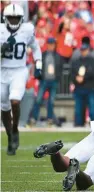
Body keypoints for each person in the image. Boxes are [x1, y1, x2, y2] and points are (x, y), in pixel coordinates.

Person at [1, 3, 42, 155]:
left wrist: (39, 65)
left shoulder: (27, 30)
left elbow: (36, 47)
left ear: (21, 18)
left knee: (15, 99)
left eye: (15, 18)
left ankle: (15, 128)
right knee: (4, 107)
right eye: (10, 18)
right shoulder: (0, 31)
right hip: (2, 71)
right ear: (5, 18)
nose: (13, 21)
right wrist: (1, 50)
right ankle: (10, 135)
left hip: (19, 70)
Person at [31, 37, 62, 126]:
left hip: (53, 81)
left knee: (51, 101)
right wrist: (38, 76)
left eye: (52, 44)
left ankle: (49, 119)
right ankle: (34, 118)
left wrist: (57, 78)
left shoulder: (57, 55)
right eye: (50, 44)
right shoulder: (43, 55)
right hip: (44, 80)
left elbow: (60, 67)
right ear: (47, 45)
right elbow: (38, 66)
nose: (51, 46)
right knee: (38, 99)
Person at [70, 43, 94, 126]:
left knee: (92, 108)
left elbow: (93, 73)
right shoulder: (76, 61)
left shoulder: (92, 60)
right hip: (79, 87)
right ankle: (79, 124)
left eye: (85, 50)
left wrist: (84, 77)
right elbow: (72, 73)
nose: (84, 52)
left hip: (89, 87)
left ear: (88, 50)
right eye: (82, 50)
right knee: (78, 108)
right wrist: (76, 78)